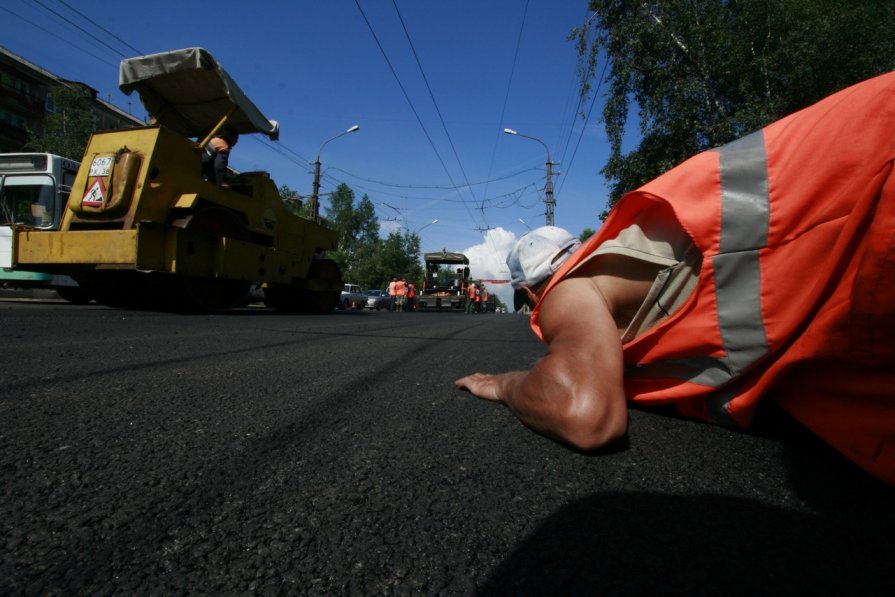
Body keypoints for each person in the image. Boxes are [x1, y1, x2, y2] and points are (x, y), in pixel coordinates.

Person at [455, 71, 895, 487]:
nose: (537, 316)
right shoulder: (628, 250)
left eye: (530, 304)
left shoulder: (567, 287)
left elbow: (586, 414)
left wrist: (505, 384)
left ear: (533, 291)